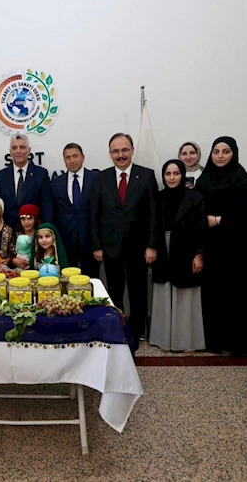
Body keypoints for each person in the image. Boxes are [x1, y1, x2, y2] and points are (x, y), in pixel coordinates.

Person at [195, 136, 247, 354]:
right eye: (216, 152)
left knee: (237, 294)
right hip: (211, 247)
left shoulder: (245, 181)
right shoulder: (204, 181)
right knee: (213, 295)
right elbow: (196, 213)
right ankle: (214, 342)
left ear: (234, 153)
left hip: (238, 247)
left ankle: (237, 343)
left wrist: (219, 220)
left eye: (225, 151)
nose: (220, 156)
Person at [91, 133, 158, 341]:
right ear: (110, 153)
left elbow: (154, 214)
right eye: (116, 151)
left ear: (132, 150)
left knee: (138, 290)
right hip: (111, 246)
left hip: (139, 247)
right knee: (114, 290)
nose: (120, 155)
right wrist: (97, 246)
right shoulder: (100, 178)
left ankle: (137, 331)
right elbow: (95, 215)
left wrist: (152, 246)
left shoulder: (146, 176)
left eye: (124, 150)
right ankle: (117, 327)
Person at [149, 160, 206, 353]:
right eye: (168, 174)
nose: (172, 177)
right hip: (162, 249)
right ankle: (163, 339)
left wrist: (199, 254)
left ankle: (186, 341)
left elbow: (201, 228)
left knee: (185, 295)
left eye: (176, 173)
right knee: (164, 292)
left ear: (183, 175)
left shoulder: (196, 197)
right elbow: (152, 225)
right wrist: (152, 247)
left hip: (186, 250)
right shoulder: (157, 197)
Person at [51, 143, 99, 278]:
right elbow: (54, 212)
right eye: (68, 157)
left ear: (83, 157)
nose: (72, 161)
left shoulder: (96, 178)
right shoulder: (56, 183)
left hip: (90, 241)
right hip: (66, 242)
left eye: (75, 156)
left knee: (91, 280)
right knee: (68, 281)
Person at [0, 134, 53, 230]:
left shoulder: (41, 174)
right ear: (10, 152)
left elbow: (47, 205)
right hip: (8, 231)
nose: (18, 151)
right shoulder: (0, 177)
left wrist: (47, 229)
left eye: (22, 147)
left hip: (34, 231)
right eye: (14, 148)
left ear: (29, 150)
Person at [12, 204, 39, 270]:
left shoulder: (40, 234)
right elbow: (11, 252)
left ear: (35, 219)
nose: (26, 222)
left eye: (29, 218)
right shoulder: (16, 234)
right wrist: (13, 260)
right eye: (23, 219)